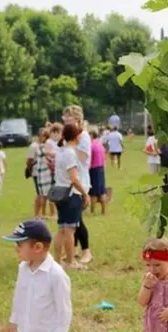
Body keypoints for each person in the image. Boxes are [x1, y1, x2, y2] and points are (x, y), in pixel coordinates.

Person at [4, 219, 72, 332]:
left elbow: (64, 313)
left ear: (38, 247)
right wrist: (13, 323)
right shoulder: (23, 268)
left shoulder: (56, 275)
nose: (16, 248)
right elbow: (19, 298)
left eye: (20, 244)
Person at [51, 123, 91, 270]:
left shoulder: (60, 151)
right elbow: (74, 178)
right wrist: (85, 194)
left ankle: (57, 261)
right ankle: (70, 261)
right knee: (70, 230)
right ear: (76, 136)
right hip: (71, 195)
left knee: (61, 229)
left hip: (59, 193)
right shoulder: (70, 153)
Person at [62, 106, 94, 265]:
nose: (65, 120)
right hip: (70, 181)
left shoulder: (84, 137)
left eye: (68, 118)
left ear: (76, 119)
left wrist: (71, 146)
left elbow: (83, 157)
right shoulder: (70, 138)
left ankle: (86, 251)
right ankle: (72, 251)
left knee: (77, 219)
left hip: (81, 181)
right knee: (72, 219)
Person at [28, 128, 55, 220]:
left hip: (46, 172)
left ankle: (43, 213)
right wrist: (29, 170)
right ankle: (37, 213)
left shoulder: (45, 145)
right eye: (43, 136)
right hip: (37, 172)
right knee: (39, 194)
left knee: (45, 194)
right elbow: (30, 160)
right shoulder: (34, 146)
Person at [89, 128, 108, 215]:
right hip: (101, 168)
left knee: (93, 192)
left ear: (92, 135)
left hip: (93, 169)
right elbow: (105, 156)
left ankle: (92, 210)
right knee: (102, 190)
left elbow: (89, 159)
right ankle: (103, 210)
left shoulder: (91, 145)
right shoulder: (100, 144)